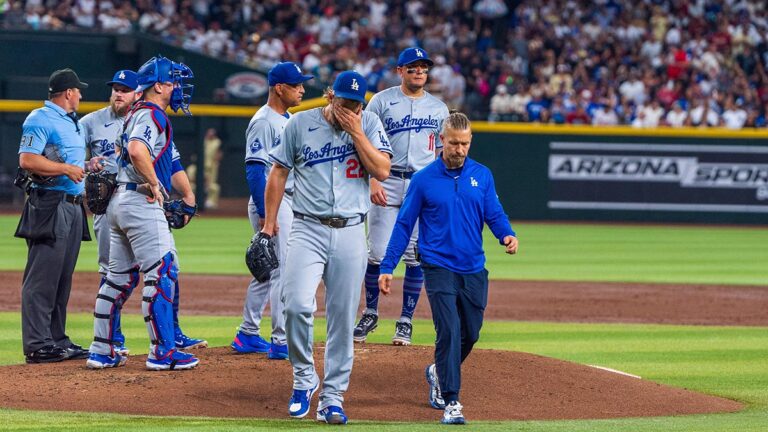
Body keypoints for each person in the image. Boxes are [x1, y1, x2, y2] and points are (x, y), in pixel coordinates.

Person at [261, 71, 391, 424]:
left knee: (342, 319)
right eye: (343, 101)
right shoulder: (300, 124)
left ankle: (332, 397)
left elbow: (382, 169)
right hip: (307, 227)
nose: (349, 109)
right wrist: (269, 225)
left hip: (351, 232)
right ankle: (304, 378)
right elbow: (277, 173)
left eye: (355, 104)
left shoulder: (370, 124)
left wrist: (359, 133)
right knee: (297, 305)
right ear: (330, 95)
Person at [378, 112, 518, 424]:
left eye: (465, 143)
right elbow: (404, 225)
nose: (459, 149)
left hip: (473, 266)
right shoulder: (424, 179)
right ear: (442, 141)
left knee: (471, 332)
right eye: (454, 143)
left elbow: (493, 212)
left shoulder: (482, 175)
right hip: (437, 265)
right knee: (449, 330)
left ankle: (438, 371)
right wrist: (388, 265)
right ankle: (451, 400)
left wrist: (506, 233)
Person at [85, 55, 202, 371]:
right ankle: (163, 352)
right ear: (161, 85)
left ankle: (102, 349)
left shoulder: (133, 113)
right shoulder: (153, 115)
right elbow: (138, 151)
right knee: (162, 272)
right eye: (174, 81)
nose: (178, 87)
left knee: (118, 279)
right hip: (140, 202)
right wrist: (154, 182)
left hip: (117, 204)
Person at [353, 47, 449, 346]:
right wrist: (371, 180)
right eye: (412, 67)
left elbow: (442, 153)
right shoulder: (381, 101)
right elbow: (364, 143)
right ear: (400, 71)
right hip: (388, 178)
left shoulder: (439, 108)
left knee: (414, 255)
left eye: (423, 67)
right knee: (378, 253)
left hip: (422, 184)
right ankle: (370, 312)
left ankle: (405, 320)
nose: (419, 71)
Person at [16, 68, 101, 364]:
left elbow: (66, 161)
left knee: (62, 278)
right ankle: (38, 344)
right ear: (68, 93)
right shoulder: (40, 118)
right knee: (42, 279)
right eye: (78, 90)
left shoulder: (70, 122)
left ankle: (56, 340)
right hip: (49, 204)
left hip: (73, 205)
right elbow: (27, 159)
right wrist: (66, 169)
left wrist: (87, 165)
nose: (80, 94)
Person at [231, 61, 313, 359]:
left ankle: (248, 333)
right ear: (280, 88)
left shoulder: (287, 118)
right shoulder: (265, 121)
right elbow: (254, 170)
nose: (303, 89)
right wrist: (269, 214)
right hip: (275, 203)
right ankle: (281, 341)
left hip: (283, 201)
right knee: (283, 271)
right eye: (297, 85)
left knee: (268, 270)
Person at [202, 128, 222, 209]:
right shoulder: (204, 141)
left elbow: (218, 153)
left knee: (212, 185)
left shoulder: (217, 142)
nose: (210, 135)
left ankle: (211, 201)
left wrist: (216, 162)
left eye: (212, 134)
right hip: (203, 165)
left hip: (212, 166)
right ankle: (198, 200)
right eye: (209, 133)